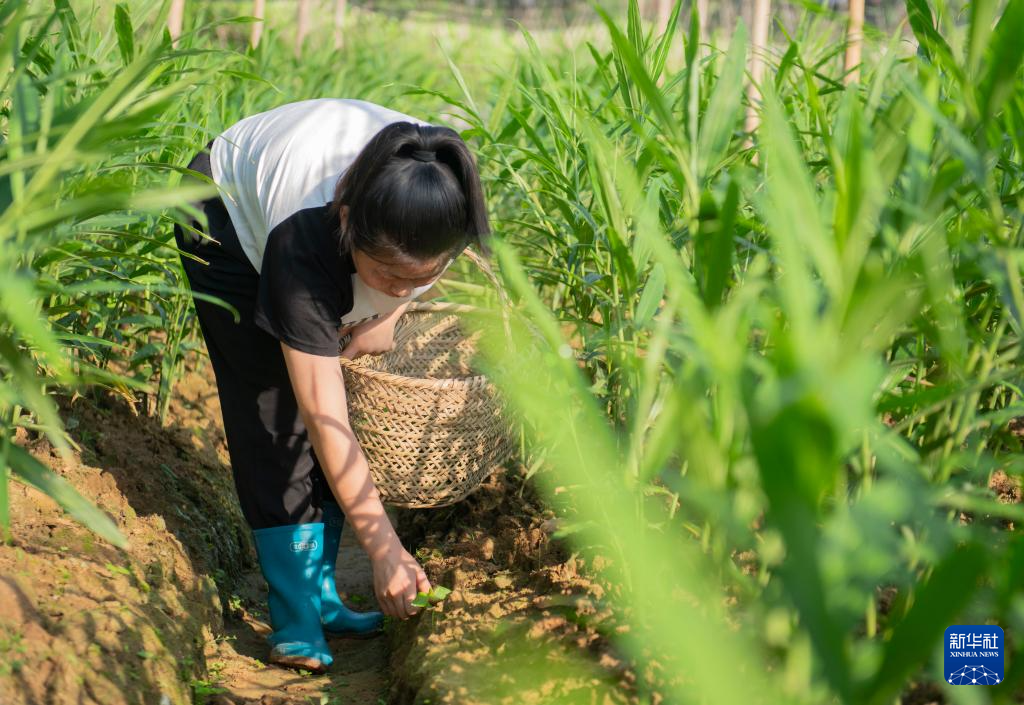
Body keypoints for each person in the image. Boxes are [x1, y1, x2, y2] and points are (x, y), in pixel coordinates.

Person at [172, 98, 491, 674]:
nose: (401, 288)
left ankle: (324, 596)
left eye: (417, 277)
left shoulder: (439, 196)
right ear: (348, 226)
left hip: (331, 230)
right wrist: (385, 549)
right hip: (223, 215)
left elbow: (410, 273)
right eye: (386, 276)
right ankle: (295, 614)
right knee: (276, 410)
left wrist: (385, 317)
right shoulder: (304, 240)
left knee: (339, 389)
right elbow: (324, 417)